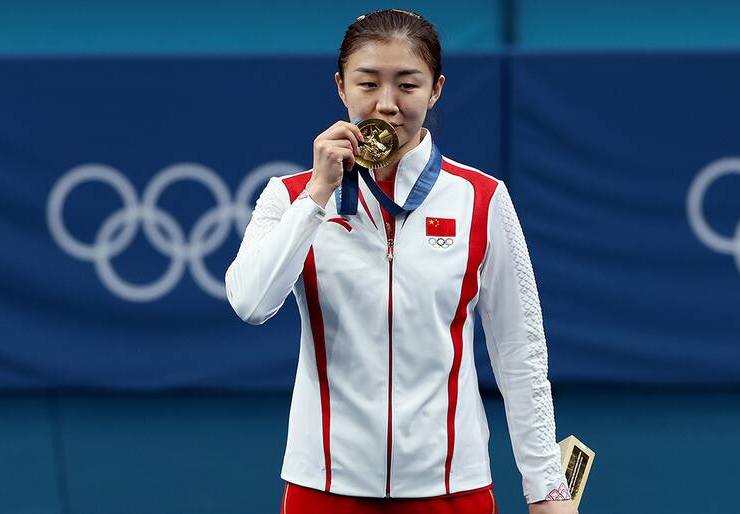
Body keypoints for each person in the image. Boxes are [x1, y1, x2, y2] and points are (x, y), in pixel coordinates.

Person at [225, 9, 577, 514]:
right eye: (368, 83)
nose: (386, 105)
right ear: (341, 87)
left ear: (436, 90)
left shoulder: (481, 199)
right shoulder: (290, 197)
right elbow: (250, 303)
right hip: (324, 486)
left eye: (407, 85)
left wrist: (547, 488)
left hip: (452, 489)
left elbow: (520, 355)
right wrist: (318, 194)